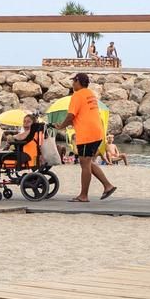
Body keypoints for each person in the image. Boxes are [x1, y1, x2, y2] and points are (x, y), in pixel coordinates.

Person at [55, 72, 115, 202]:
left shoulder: (77, 95)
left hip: (87, 134)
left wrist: (61, 127)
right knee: (88, 162)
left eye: (73, 82)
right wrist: (68, 124)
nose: (72, 84)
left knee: (84, 164)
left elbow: (71, 115)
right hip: (97, 132)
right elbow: (81, 115)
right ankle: (108, 186)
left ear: (77, 81)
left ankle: (83, 195)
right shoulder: (90, 94)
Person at [0, 113, 40, 184]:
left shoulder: (29, 132)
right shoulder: (33, 132)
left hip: (21, 155)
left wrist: (12, 137)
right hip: (23, 153)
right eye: (24, 122)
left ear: (33, 123)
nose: (25, 124)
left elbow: (20, 137)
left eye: (28, 122)